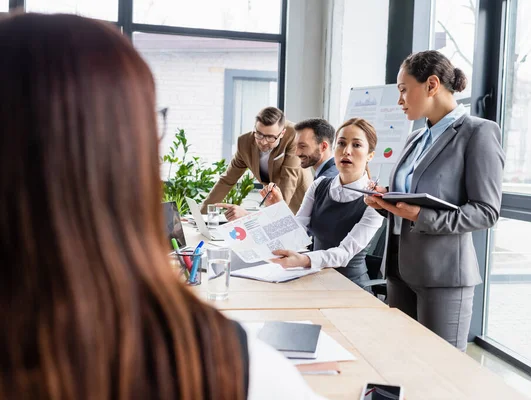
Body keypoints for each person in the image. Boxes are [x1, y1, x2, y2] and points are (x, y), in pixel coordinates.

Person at [0, 13, 323, 400]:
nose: (263, 141)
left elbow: (284, 200)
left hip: (293, 227)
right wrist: (205, 211)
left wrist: (250, 214)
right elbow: (228, 179)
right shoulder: (222, 362)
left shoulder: (291, 154)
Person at [364, 50, 505, 352]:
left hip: (443, 278)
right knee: (403, 365)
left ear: (431, 85)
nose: (399, 100)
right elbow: (413, 194)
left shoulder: (478, 133)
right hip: (400, 271)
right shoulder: (415, 138)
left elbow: (486, 211)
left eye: (403, 90)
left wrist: (421, 216)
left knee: (441, 374)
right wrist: (386, 199)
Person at [262, 119, 384, 287]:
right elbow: (297, 231)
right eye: (341, 143)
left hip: (352, 288)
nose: (346, 151)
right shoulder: (319, 185)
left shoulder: (376, 201)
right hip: (315, 280)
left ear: (370, 154)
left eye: (356, 145)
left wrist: (304, 260)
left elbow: (344, 253)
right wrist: (276, 209)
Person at [201, 107, 312, 221]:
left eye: (270, 137)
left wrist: (276, 214)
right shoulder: (244, 143)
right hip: (272, 201)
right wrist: (201, 215)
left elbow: (288, 178)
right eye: (259, 134)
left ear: (282, 133)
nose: (263, 142)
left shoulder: (294, 135)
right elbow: (226, 180)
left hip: (299, 199)